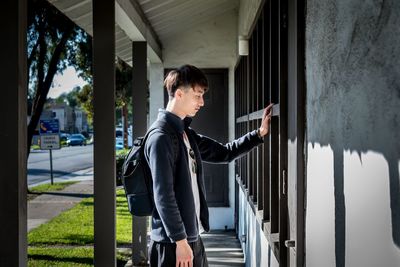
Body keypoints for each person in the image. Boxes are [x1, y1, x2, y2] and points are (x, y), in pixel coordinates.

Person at [145, 64, 273, 267]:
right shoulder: (161, 137)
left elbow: (225, 153)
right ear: (179, 94)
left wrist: (258, 135)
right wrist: (180, 241)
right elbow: (163, 195)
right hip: (173, 244)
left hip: (191, 238)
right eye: (197, 95)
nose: (202, 102)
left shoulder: (185, 133)